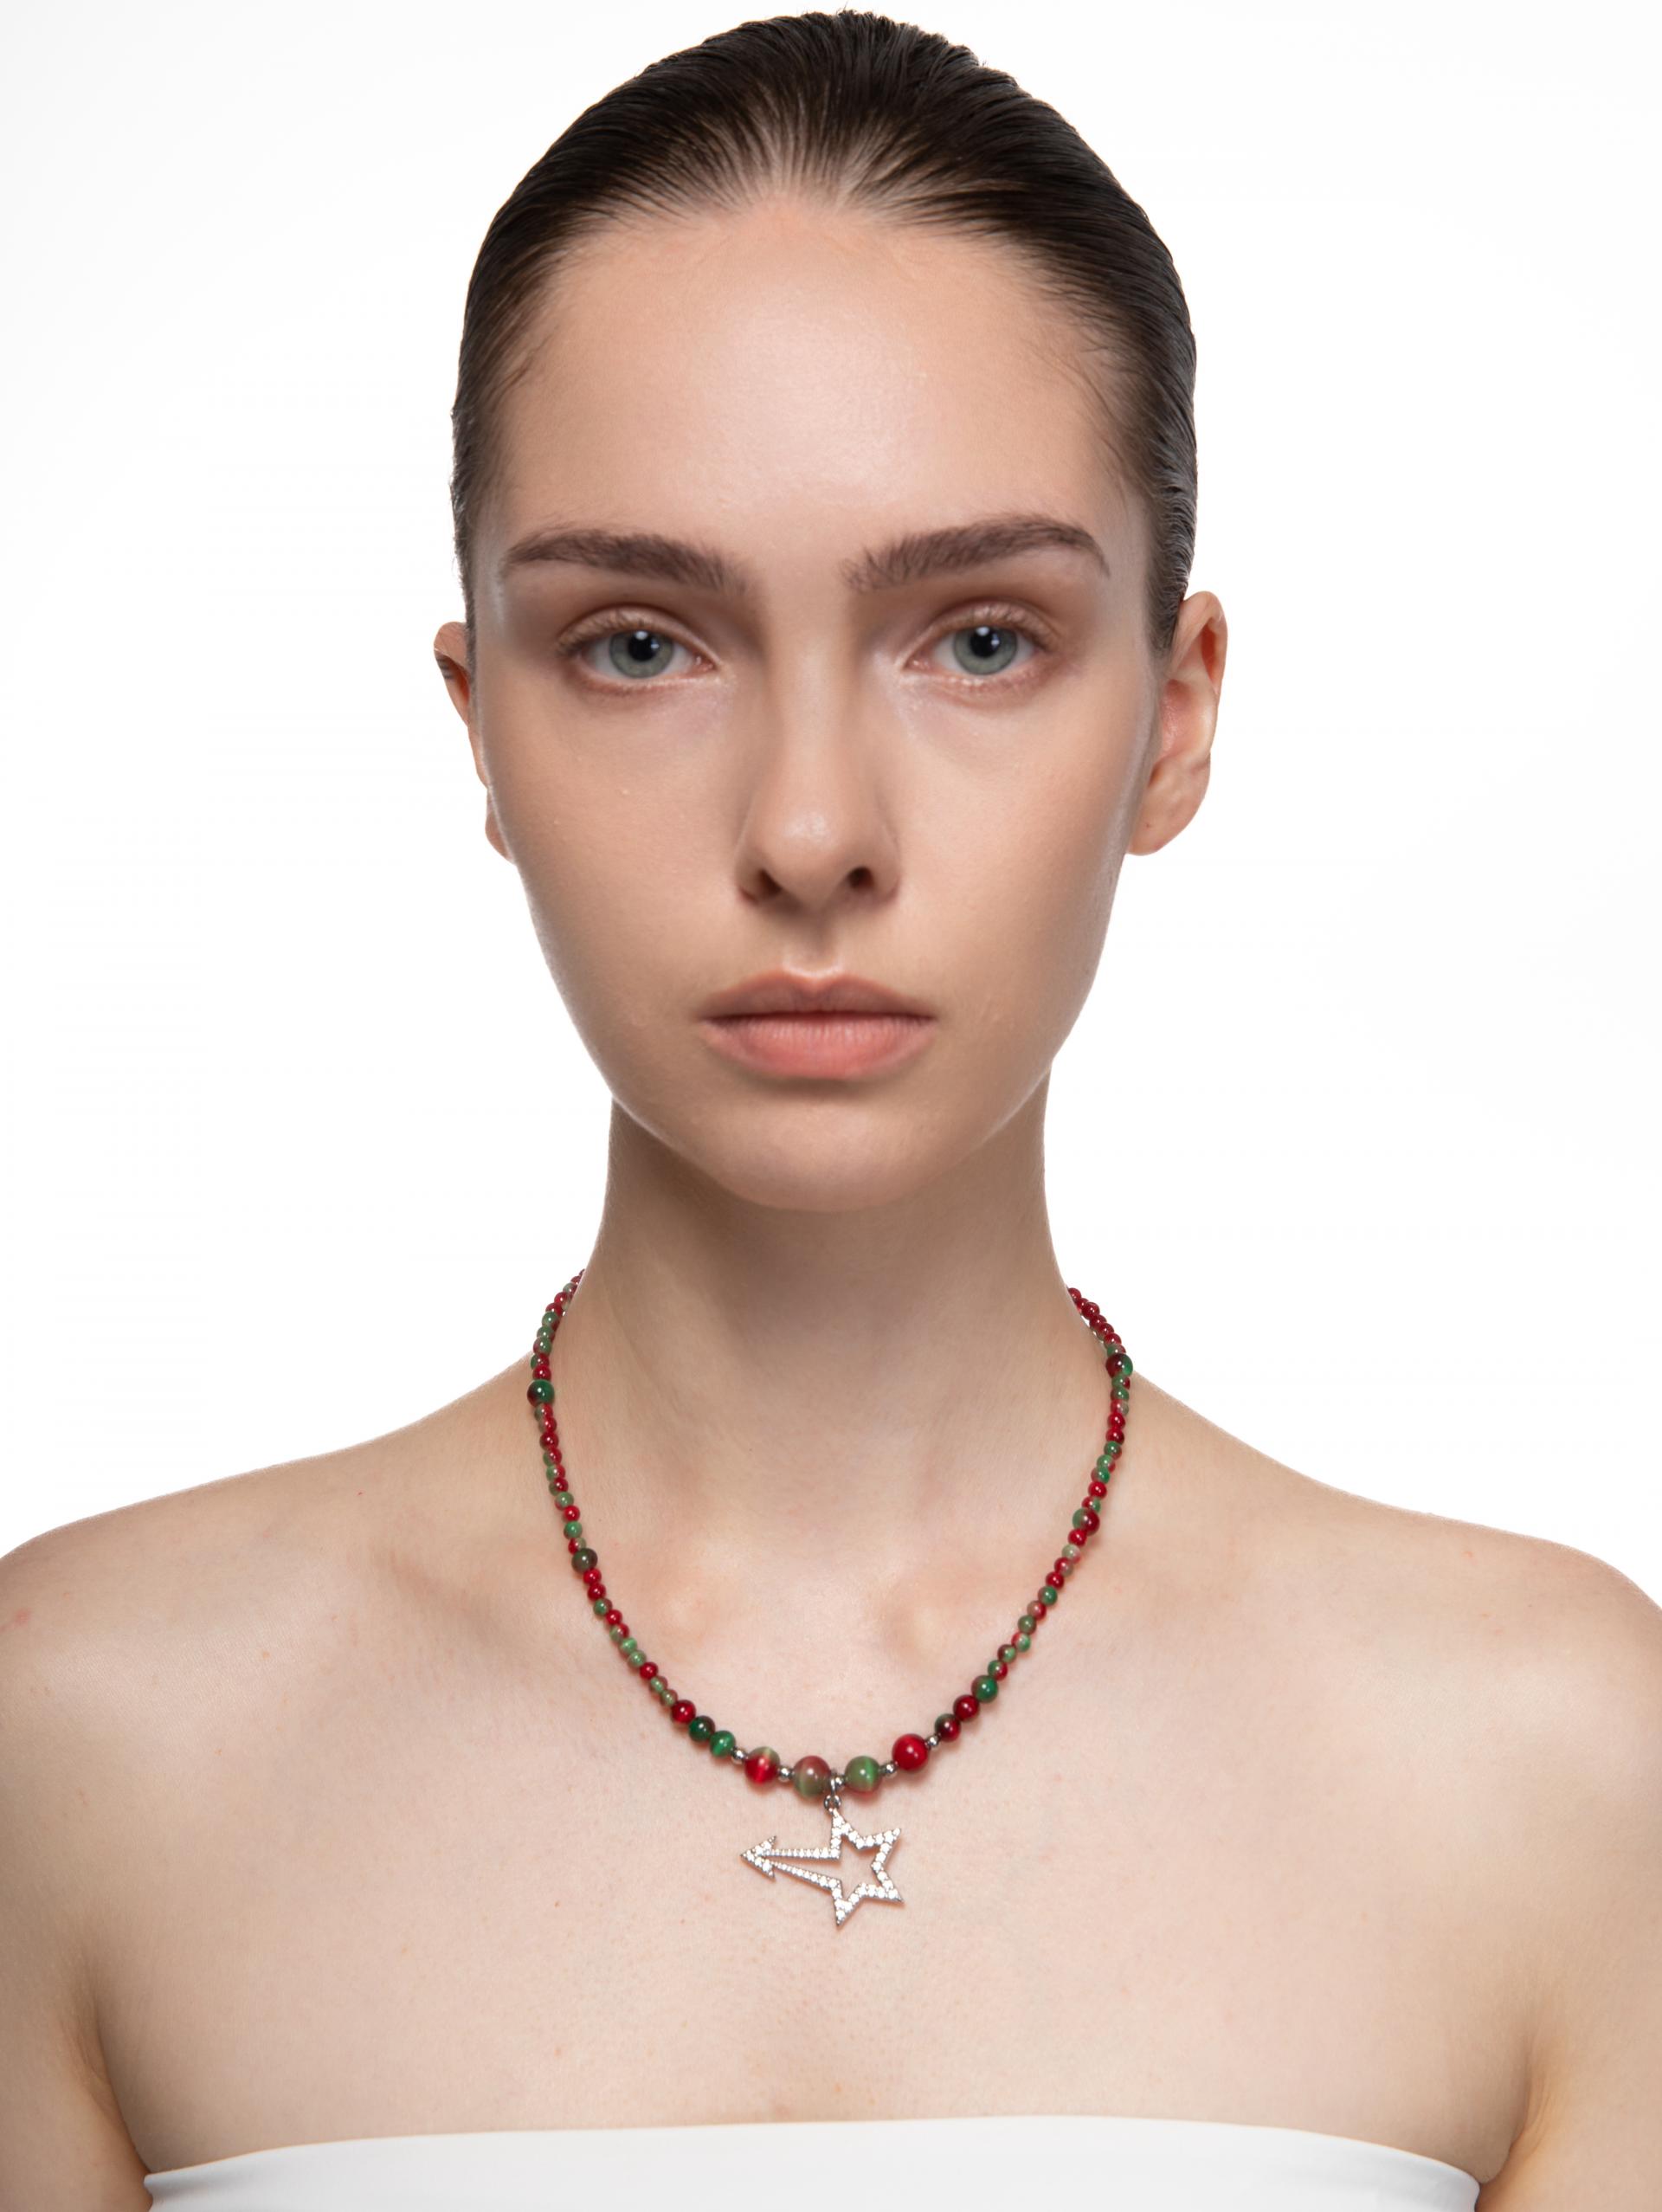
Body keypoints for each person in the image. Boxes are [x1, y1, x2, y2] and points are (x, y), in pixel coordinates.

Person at [3, 11, 1659, 2209]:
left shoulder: (1559, 1772)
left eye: (978, 640)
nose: (809, 833)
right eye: (640, 644)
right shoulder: (81, 1746)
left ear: (1173, 719)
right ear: (479, 720)